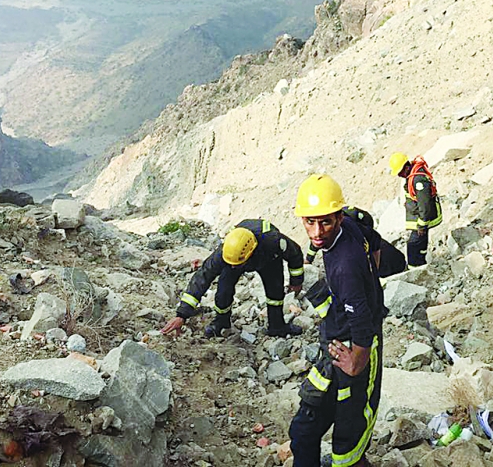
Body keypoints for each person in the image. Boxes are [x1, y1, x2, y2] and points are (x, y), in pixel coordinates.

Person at [289, 175, 385, 467]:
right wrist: (371, 281)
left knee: (348, 439)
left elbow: (361, 318)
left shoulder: (345, 265)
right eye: (310, 222)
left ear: (339, 218)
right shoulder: (351, 225)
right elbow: (374, 238)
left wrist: (358, 359)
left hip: (355, 346)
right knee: (303, 430)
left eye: (325, 223)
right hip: (335, 339)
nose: (317, 232)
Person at [160, 218, 305, 339]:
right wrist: (182, 315)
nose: (234, 267)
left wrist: (296, 282)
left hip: (268, 259)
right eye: (231, 264)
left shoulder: (274, 242)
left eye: (237, 265)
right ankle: (221, 322)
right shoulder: (226, 253)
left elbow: (296, 254)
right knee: (223, 291)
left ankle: (277, 327)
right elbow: (203, 277)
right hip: (239, 257)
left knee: (275, 293)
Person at [305, 205, 407, 279]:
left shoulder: (353, 228)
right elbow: (317, 242)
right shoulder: (340, 224)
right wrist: (309, 259)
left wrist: (373, 271)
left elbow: (373, 239)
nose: (318, 232)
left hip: (394, 265)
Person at [388, 152, 442, 267]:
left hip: (421, 219)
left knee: (413, 246)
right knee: (420, 245)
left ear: (406, 167)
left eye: (400, 172)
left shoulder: (418, 180)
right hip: (419, 216)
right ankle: (421, 264)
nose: (399, 175)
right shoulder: (413, 175)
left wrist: (422, 224)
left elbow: (425, 203)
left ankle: (416, 270)